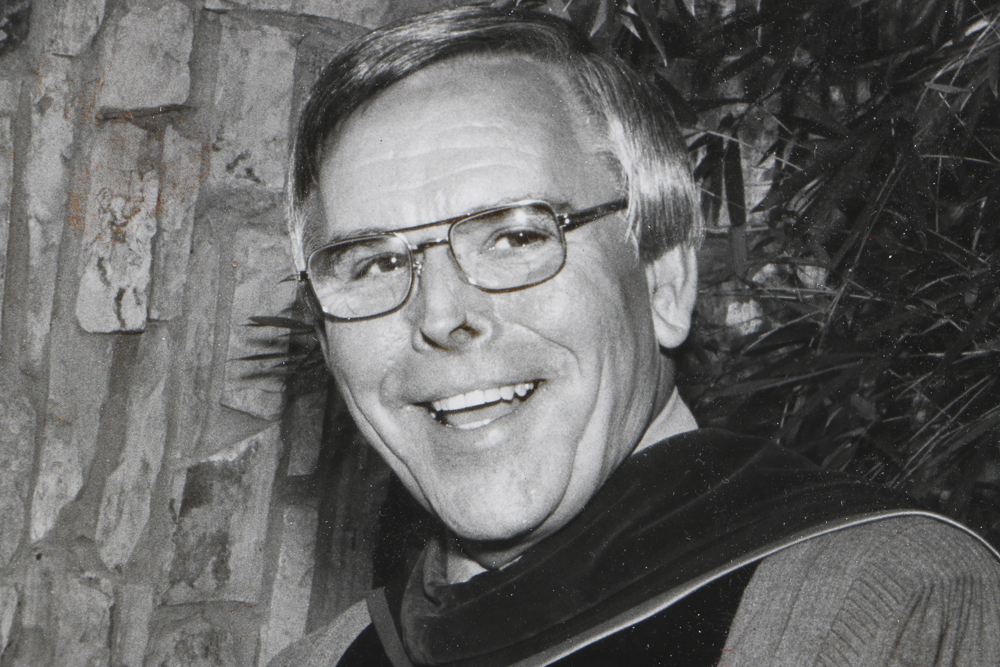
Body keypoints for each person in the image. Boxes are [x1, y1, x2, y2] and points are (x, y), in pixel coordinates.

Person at [271, 6, 1000, 666]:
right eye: (373, 261)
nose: (438, 314)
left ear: (664, 281)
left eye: (517, 235)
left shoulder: (890, 610)